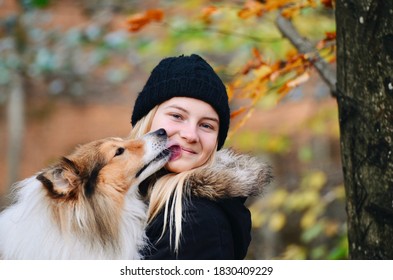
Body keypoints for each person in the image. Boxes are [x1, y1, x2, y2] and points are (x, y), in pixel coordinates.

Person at [129, 54, 272, 259]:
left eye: (206, 125)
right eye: (177, 116)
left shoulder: (194, 220)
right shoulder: (122, 199)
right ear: (148, 119)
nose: (190, 135)